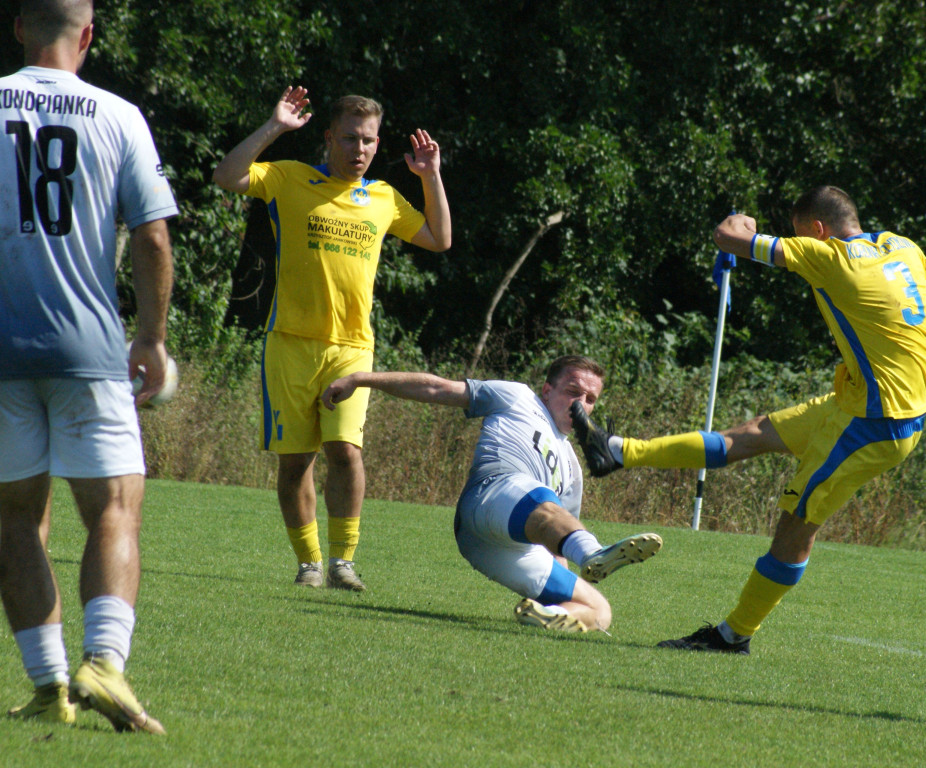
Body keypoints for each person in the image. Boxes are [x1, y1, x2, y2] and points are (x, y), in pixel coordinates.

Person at [573, 186, 926, 653]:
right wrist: (918, 384)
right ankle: (615, 453)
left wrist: (747, 221)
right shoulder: (904, 246)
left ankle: (734, 635)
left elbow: (728, 236)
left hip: (872, 425)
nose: (802, 245)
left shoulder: (829, 257)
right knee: (752, 434)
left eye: (802, 235)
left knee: (796, 527)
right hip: (865, 405)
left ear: (817, 230)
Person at [0, 0, 177, 732]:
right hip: (88, 351)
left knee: (12, 518)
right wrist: (153, 337)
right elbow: (154, 237)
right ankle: (104, 663)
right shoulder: (119, 115)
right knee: (112, 506)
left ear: (17, 27)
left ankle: (47, 687)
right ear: (89, 35)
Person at [212, 87, 451, 591]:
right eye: (349, 138)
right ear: (328, 138)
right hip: (290, 343)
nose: (359, 149)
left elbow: (438, 238)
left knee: (345, 450)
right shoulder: (290, 178)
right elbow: (226, 175)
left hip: (351, 348)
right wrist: (275, 126)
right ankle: (309, 564)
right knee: (297, 459)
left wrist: (431, 177)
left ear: (377, 142)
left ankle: (343, 561)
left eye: (367, 141)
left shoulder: (383, 197)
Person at [320, 356, 663, 632]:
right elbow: (438, 389)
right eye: (573, 391)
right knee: (541, 496)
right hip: (489, 498)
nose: (581, 404)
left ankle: (548, 617)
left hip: (498, 549)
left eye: (590, 399)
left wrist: (561, 583)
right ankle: (592, 551)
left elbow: (555, 541)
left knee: (600, 610)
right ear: (547, 389)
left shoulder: (573, 467)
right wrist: (362, 379)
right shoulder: (518, 396)